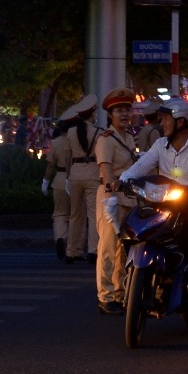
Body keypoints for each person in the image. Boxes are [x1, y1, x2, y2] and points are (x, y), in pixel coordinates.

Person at [116, 97, 188, 300]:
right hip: (161, 206)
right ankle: (134, 273)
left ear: (180, 122)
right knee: (131, 228)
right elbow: (140, 166)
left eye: (165, 119)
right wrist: (122, 180)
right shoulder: (159, 145)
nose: (162, 123)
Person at [94, 88, 138, 315]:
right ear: (110, 114)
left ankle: (120, 294)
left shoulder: (129, 138)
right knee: (109, 248)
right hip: (111, 198)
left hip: (129, 198)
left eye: (127, 109)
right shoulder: (106, 139)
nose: (124, 114)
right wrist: (111, 197)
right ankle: (106, 296)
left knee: (125, 250)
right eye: (119, 110)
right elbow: (106, 171)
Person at [66, 95, 102, 264]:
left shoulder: (71, 132)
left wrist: (68, 176)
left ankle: (72, 250)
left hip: (75, 174)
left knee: (75, 214)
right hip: (93, 174)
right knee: (93, 215)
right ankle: (93, 250)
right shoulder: (99, 132)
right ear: (92, 114)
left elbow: (68, 156)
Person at [42, 109, 75, 261]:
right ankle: (73, 248)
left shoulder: (56, 143)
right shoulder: (80, 140)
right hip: (78, 177)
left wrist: (45, 182)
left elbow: (50, 165)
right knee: (76, 214)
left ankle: (61, 237)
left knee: (60, 213)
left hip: (60, 179)